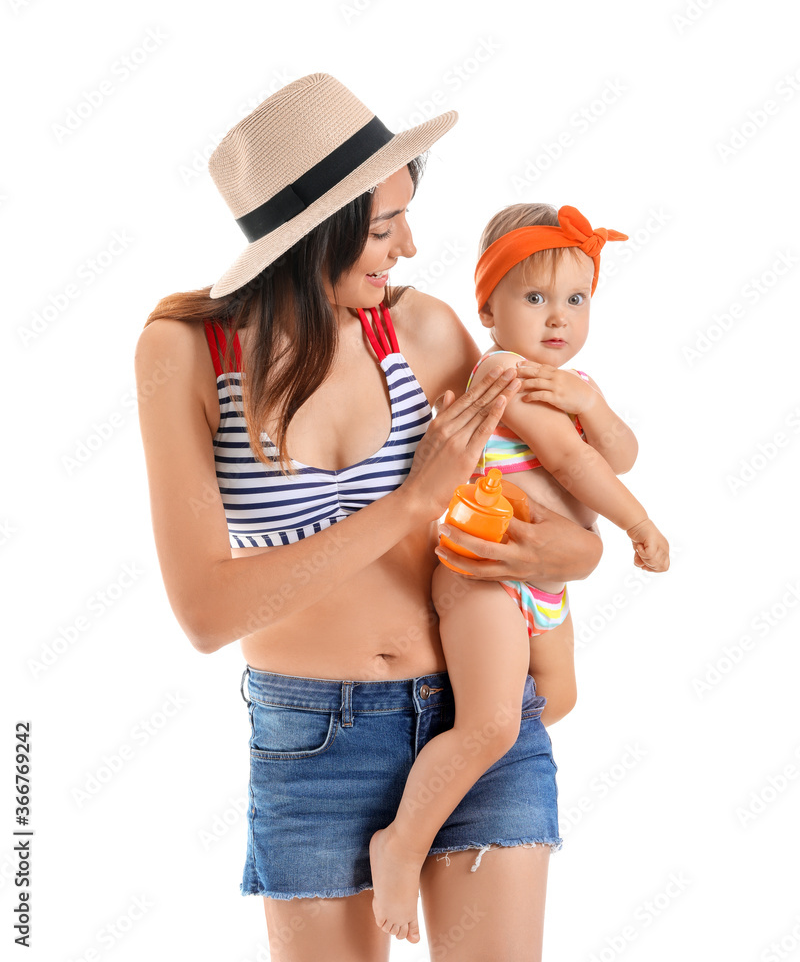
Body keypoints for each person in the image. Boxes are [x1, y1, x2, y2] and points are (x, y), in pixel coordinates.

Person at [134, 73, 602, 961]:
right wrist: (414, 501)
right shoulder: (187, 354)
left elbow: (545, 511)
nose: (411, 246)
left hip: (477, 716)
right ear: (315, 234)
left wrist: (577, 553)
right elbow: (206, 612)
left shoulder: (421, 331)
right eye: (385, 228)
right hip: (314, 741)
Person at [368, 202, 670, 939]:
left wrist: (593, 403)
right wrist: (637, 522)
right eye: (534, 298)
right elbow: (573, 462)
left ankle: (454, 744)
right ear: (488, 308)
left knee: (555, 699)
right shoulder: (504, 371)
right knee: (496, 724)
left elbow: (618, 453)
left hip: (544, 586)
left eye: (576, 299)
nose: (558, 317)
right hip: (483, 575)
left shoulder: (568, 383)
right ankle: (400, 845)